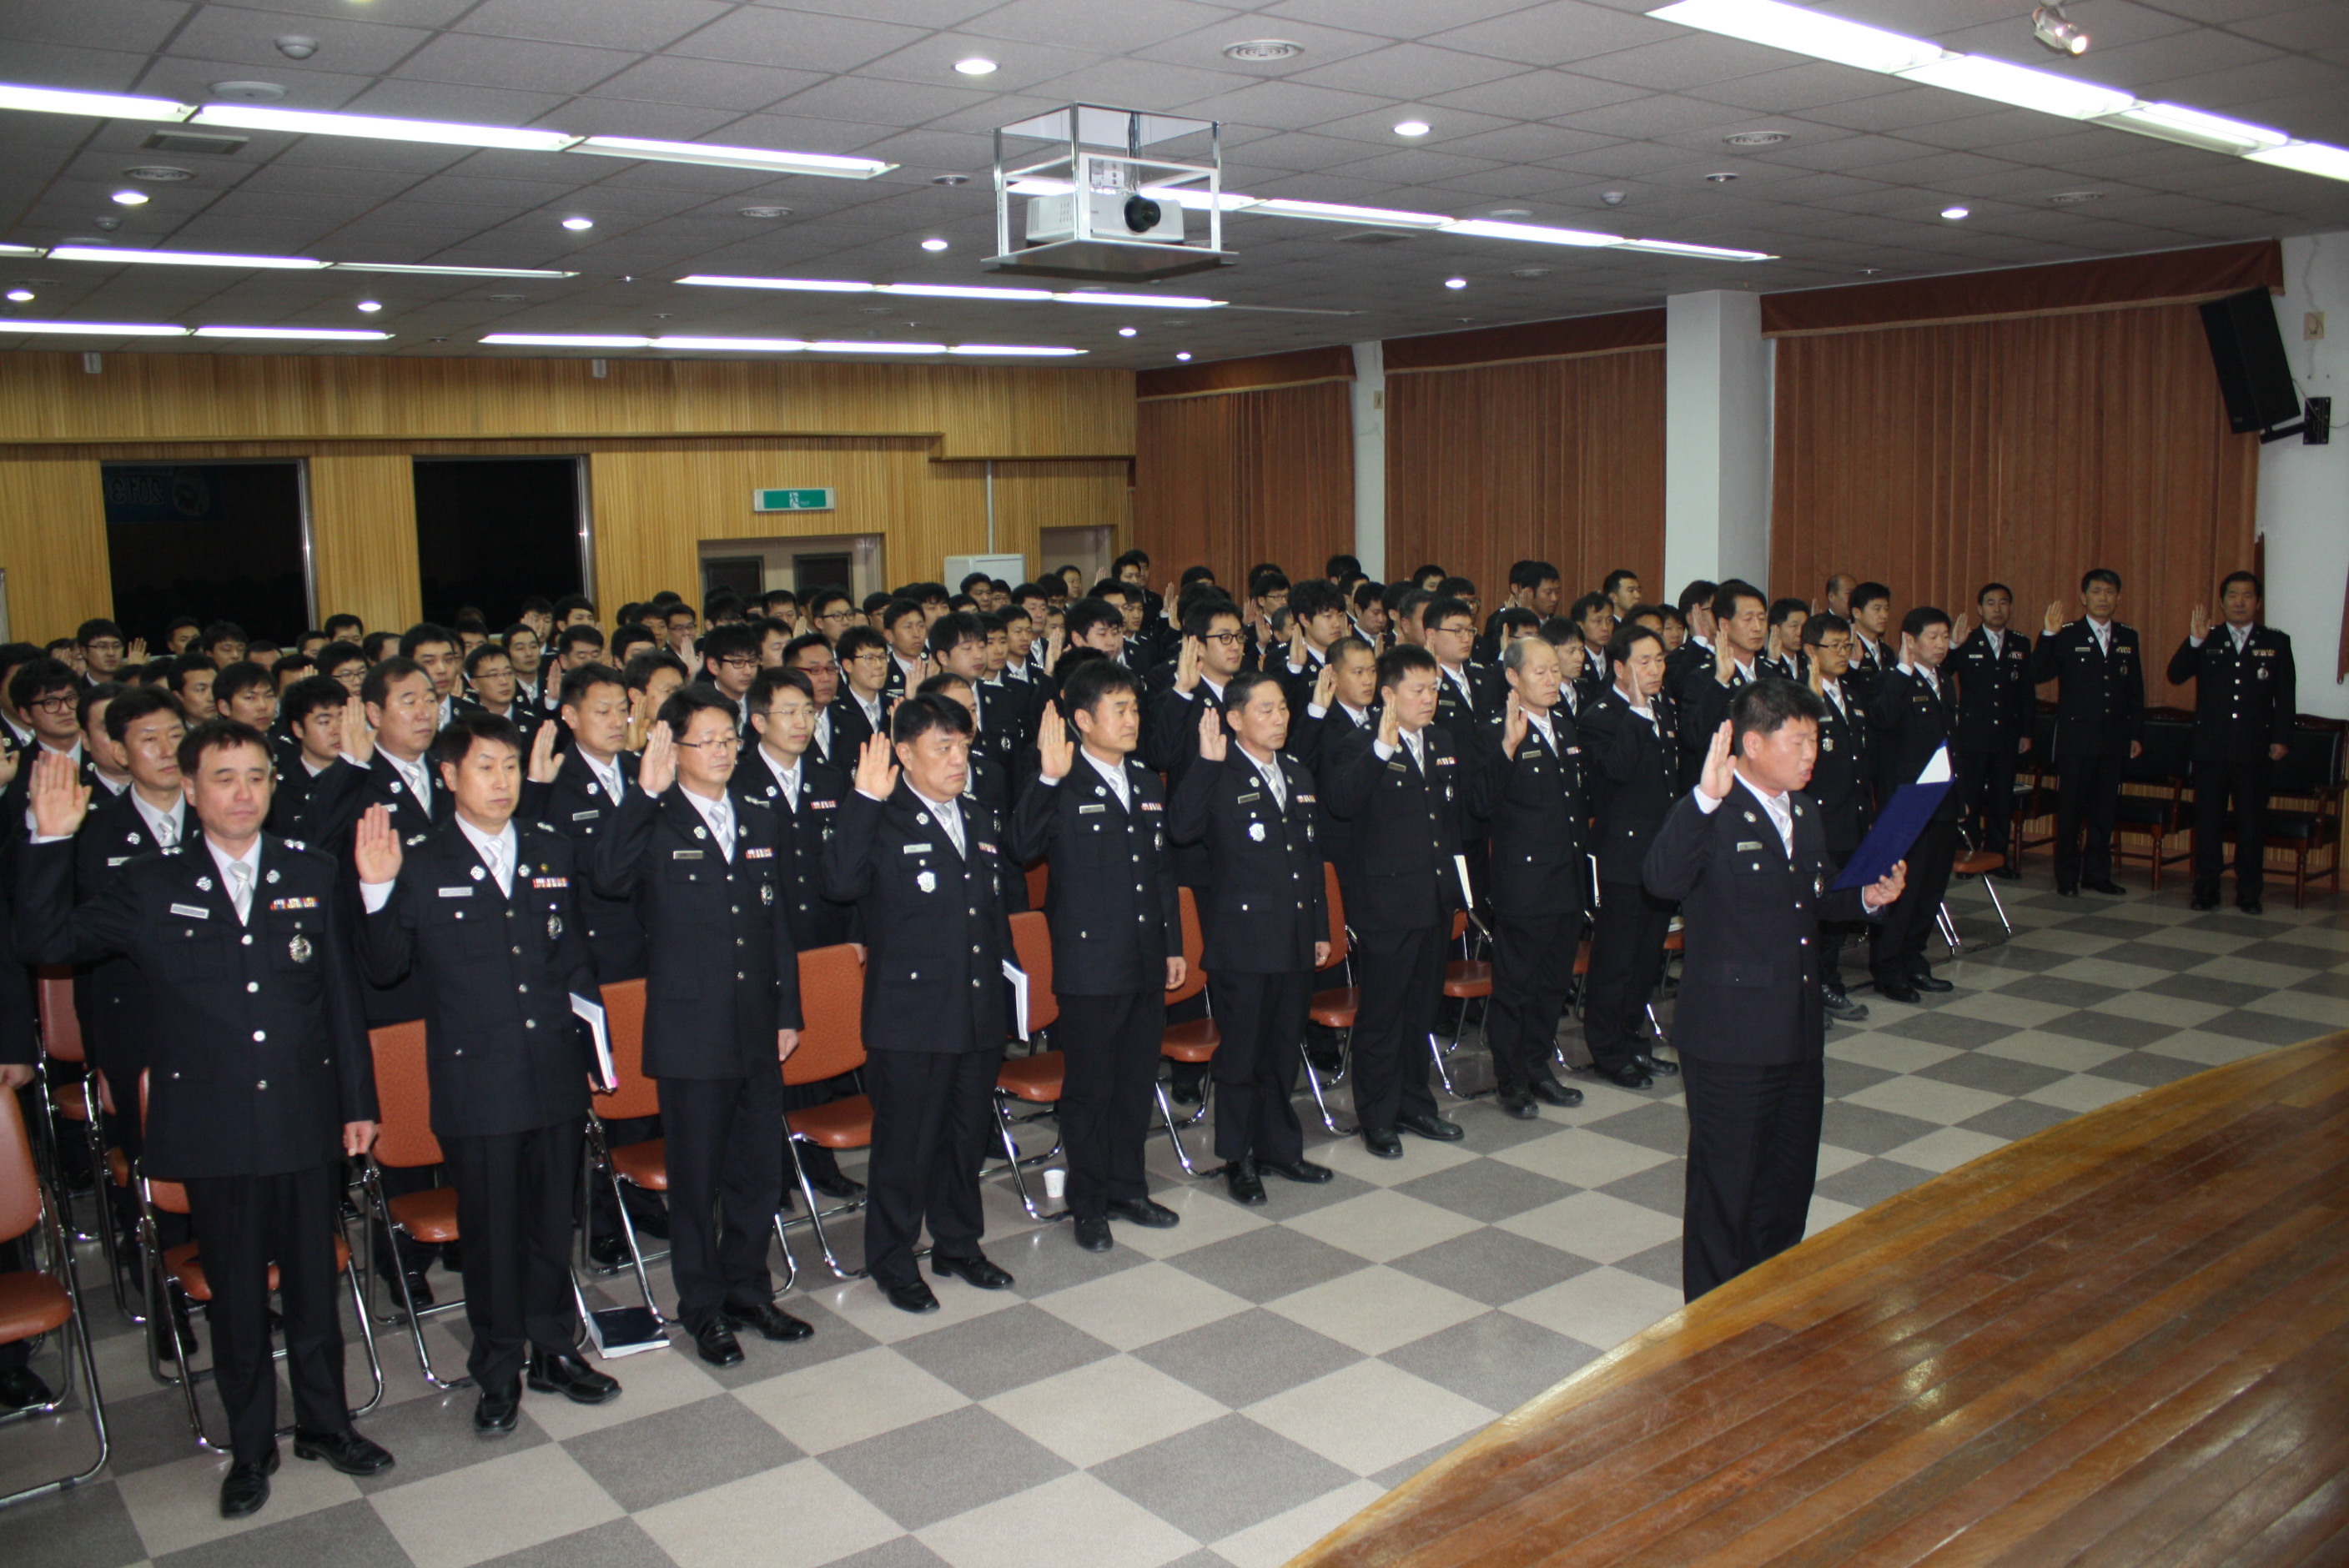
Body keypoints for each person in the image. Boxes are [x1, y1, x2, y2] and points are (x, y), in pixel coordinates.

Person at [18, 731, 395, 1518]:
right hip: (214, 1122)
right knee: (235, 1296)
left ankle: (326, 1424)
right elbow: (46, 941)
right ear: (191, 789)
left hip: (301, 1112)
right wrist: (49, 841)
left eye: (256, 776)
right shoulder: (151, 882)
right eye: (224, 778)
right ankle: (250, 1447)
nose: (243, 792)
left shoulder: (310, 870)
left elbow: (340, 995)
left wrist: (359, 1102)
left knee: (314, 1285)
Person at [354, 714, 619, 1432]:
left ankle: (555, 1349)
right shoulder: (420, 860)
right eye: (484, 768)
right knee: (493, 1233)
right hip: (477, 1082)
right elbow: (384, 969)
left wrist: (595, 1053)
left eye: (509, 767)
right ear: (448, 777)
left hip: (554, 1073)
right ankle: (498, 1367)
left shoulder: (549, 846)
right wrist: (375, 892)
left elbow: (573, 959)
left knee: (550, 1222)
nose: (501, 782)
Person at [1642, 687, 1904, 1301]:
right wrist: (1703, 799)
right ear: (1753, 744)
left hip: (1797, 1030)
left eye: (1816, 740)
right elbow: (1661, 879)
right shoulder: (1714, 809)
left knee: (1788, 1182)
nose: (1813, 753)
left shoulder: (1803, 811)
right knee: (1727, 1189)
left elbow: (1813, 898)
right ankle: (1712, 1316)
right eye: (1799, 741)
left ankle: (1771, 1300)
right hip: (1731, 1038)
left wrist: (1867, 899)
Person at [591, 688, 810, 1366]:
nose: (721, 751)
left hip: (757, 1025)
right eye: (706, 740)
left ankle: (749, 1289)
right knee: (696, 1182)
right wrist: (643, 795)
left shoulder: (757, 812)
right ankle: (704, 1307)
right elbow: (607, 878)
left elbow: (777, 920)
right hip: (691, 1032)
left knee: (757, 1172)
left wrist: (788, 1011)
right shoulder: (654, 820)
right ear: (673, 747)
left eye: (728, 739)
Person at [824, 697, 1019, 1313]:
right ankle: (892, 1259)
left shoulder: (977, 816)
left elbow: (993, 915)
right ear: (905, 755)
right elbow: (840, 882)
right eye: (944, 748)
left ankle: (958, 1244)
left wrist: (1008, 992)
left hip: (976, 1007)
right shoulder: (881, 817)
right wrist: (863, 800)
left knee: (965, 1136)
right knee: (905, 1146)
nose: (959, 759)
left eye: (963, 746)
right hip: (910, 1016)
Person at [1012, 660, 1185, 1251]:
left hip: (1145, 957)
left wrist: (1173, 945)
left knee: (1136, 1083)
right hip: (1089, 965)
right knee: (1090, 1090)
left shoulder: (1145, 780)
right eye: (1120, 710)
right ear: (1083, 720)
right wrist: (1047, 779)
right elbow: (1021, 846)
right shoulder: (1061, 778)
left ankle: (1128, 1188)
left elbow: (1161, 871)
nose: (1132, 719)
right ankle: (1087, 1204)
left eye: (1135, 708)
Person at [1169, 671, 1332, 1204]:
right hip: (1243, 942)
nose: (1280, 718)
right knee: (1241, 1058)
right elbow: (1181, 830)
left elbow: (1311, 858)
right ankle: (1237, 1158)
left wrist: (1320, 929)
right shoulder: (1217, 772)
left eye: (1283, 708)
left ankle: (1279, 1148)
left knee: (1283, 1050)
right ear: (1235, 719)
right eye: (1266, 710)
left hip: (1295, 936)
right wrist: (1205, 763)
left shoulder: (1298, 773)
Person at [1322, 645, 1466, 1158]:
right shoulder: (1358, 744)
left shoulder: (1442, 739)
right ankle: (1378, 1116)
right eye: (1417, 690)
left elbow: (1447, 822)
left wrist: (1457, 891)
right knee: (1383, 1015)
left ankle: (1414, 1103)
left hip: (1433, 899)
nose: (1429, 699)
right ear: (1388, 694)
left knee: (1421, 1010)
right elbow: (1340, 803)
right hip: (1385, 905)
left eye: (1434, 689)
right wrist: (1380, 752)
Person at [1467, 636, 1589, 1118]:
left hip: (1567, 879)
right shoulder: (1492, 732)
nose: (1552, 679)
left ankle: (1539, 1067)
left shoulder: (1566, 726)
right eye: (1540, 671)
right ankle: (1511, 1078)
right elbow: (1480, 804)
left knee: (1552, 984)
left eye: (1555, 670)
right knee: (1516, 986)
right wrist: (1508, 749)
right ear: (1513, 678)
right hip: (1524, 883)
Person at [1575, 626, 1682, 1089]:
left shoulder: (1663, 706)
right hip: (1621, 855)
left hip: (1659, 853)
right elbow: (1615, 772)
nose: (1655, 669)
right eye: (1644, 661)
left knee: (1646, 959)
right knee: (1616, 960)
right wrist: (1638, 714)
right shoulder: (1600, 716)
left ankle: (1633, 1041)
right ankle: (1608, 1051)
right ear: (1619, 668)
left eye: (1660, 659)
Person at [2167, 572, 2296, 914]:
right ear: (2222, 602)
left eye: (2247, 595)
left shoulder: (2276, 642)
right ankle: (2206, 889)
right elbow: (2175, 674)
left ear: (2258, 602)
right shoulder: (2208, 638)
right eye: (2233, 595)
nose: (2240, 602)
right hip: (2211, 749)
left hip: (2254, 749)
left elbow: (2285, 696)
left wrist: (2281, 738)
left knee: (2251, 824)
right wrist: (2194, 641)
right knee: (2208, 822)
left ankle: (2249, 892)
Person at [2030, 570, 2144, 897]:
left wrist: (2135, 734)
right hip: (2076, 740)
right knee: (2070, 812)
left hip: (2113, 740)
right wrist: (2048, 636)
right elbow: (2036, 673)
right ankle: (2067, 876)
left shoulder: (2127, 636)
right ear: (2084, 597)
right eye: (2096, 591)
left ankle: (2097, 874)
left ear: (2118, 598)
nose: (2103, 598)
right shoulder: (2067, 634)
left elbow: (2135, 689)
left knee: (2104, 812)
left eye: (2109, 592)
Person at [1867, 607, 1960, 1003]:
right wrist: (1903, 671)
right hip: (1905, 804)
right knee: (1902, 891)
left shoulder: (1945, 680)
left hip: (1942, 801)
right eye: (1932, 637)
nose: (1940, 645)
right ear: (1910, 640)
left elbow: (1951, 742)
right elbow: (1881, 720)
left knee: (1931, 888)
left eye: (1945, 637)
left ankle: (1914, 958)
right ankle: (1887, 967)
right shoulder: (1891, 680)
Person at [1798, 614, 1871, 1023]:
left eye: (1848, 646)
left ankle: (1829, 982)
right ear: (1811, 651)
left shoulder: (1852, 696)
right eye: (1835, 646)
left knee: (1839, 913)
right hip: (1818, 825)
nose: (1844, 653)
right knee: (1814, 915)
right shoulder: (1799, 700)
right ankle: (1810, 991)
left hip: (1851, 821)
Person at [1948, 583, 2034, 872]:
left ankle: (1998, 857)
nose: (1998, 608)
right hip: (1973, 734)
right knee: (1970, 798)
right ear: (1980, 609)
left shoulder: (2020, 643)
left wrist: (2027, 731)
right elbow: (1943, 671)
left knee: (2001, 799)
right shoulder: (1966, 640)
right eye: (1991, 603)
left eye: (2003, 603)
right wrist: (1953, 646)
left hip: (2006, 735)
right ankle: (1969, 855)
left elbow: (2026, 692)